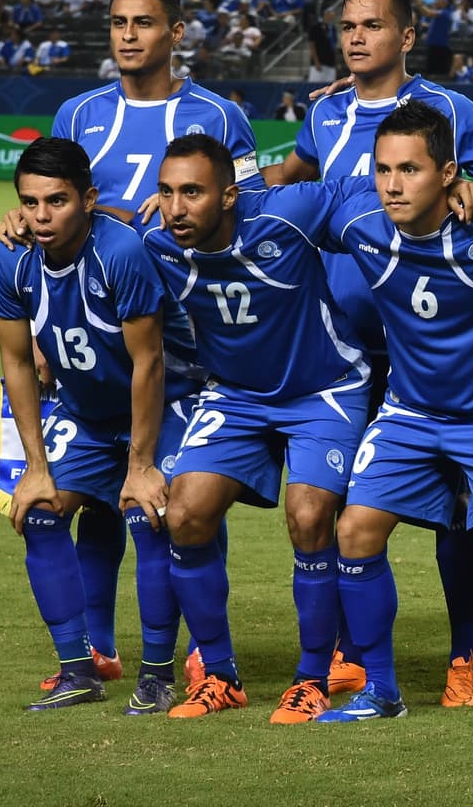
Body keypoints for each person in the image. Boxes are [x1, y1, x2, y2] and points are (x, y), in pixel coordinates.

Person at [0, 0, 263, 692]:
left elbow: (251, 216)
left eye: (143, 23)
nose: (127, 36)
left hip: (190, 336)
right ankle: (100, 649)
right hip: (92, 334)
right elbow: (55, 205)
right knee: (96, 498)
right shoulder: (80, 113)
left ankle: (204, 651)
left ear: (176, 33)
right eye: (118, 23)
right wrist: (24, 227)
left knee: (180, 500)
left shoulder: (221, 115)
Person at [281, 0, 473, 707]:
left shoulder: (449, 110)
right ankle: (354, 661)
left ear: (405, 34)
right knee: (340, 508)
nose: (356, 38)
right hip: (341, 348)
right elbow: (289, 190)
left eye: (370, 25)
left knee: (463, 512)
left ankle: (467, 655)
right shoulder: (326, 117)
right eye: (347, 27)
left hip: (450, 342)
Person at [135, 134, 372, 723]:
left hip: (326, 387)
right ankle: (219, 676)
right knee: (183, 515)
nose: (176, 207)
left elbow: (366, 188)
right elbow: (91, 237)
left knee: (311, 514)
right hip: (238, 396)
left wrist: (464, 189)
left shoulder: (287, 214)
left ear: (230, 196)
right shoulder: (157, 245)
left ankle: (313, 677)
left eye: (192, 192)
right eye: (166, 193)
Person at [0, 137, 199, 714]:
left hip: (164, 405)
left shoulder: (121, 252)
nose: (41, 216)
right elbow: (15, 362)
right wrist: (34, 468)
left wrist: (140, 464)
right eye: (29, 203)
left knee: (149, 514)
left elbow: (150, 362)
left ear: (88, 199)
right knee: (40, 513)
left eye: (56, 201)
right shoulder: (7, 255)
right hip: (86, 414)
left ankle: (158, 675)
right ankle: (77, 669)